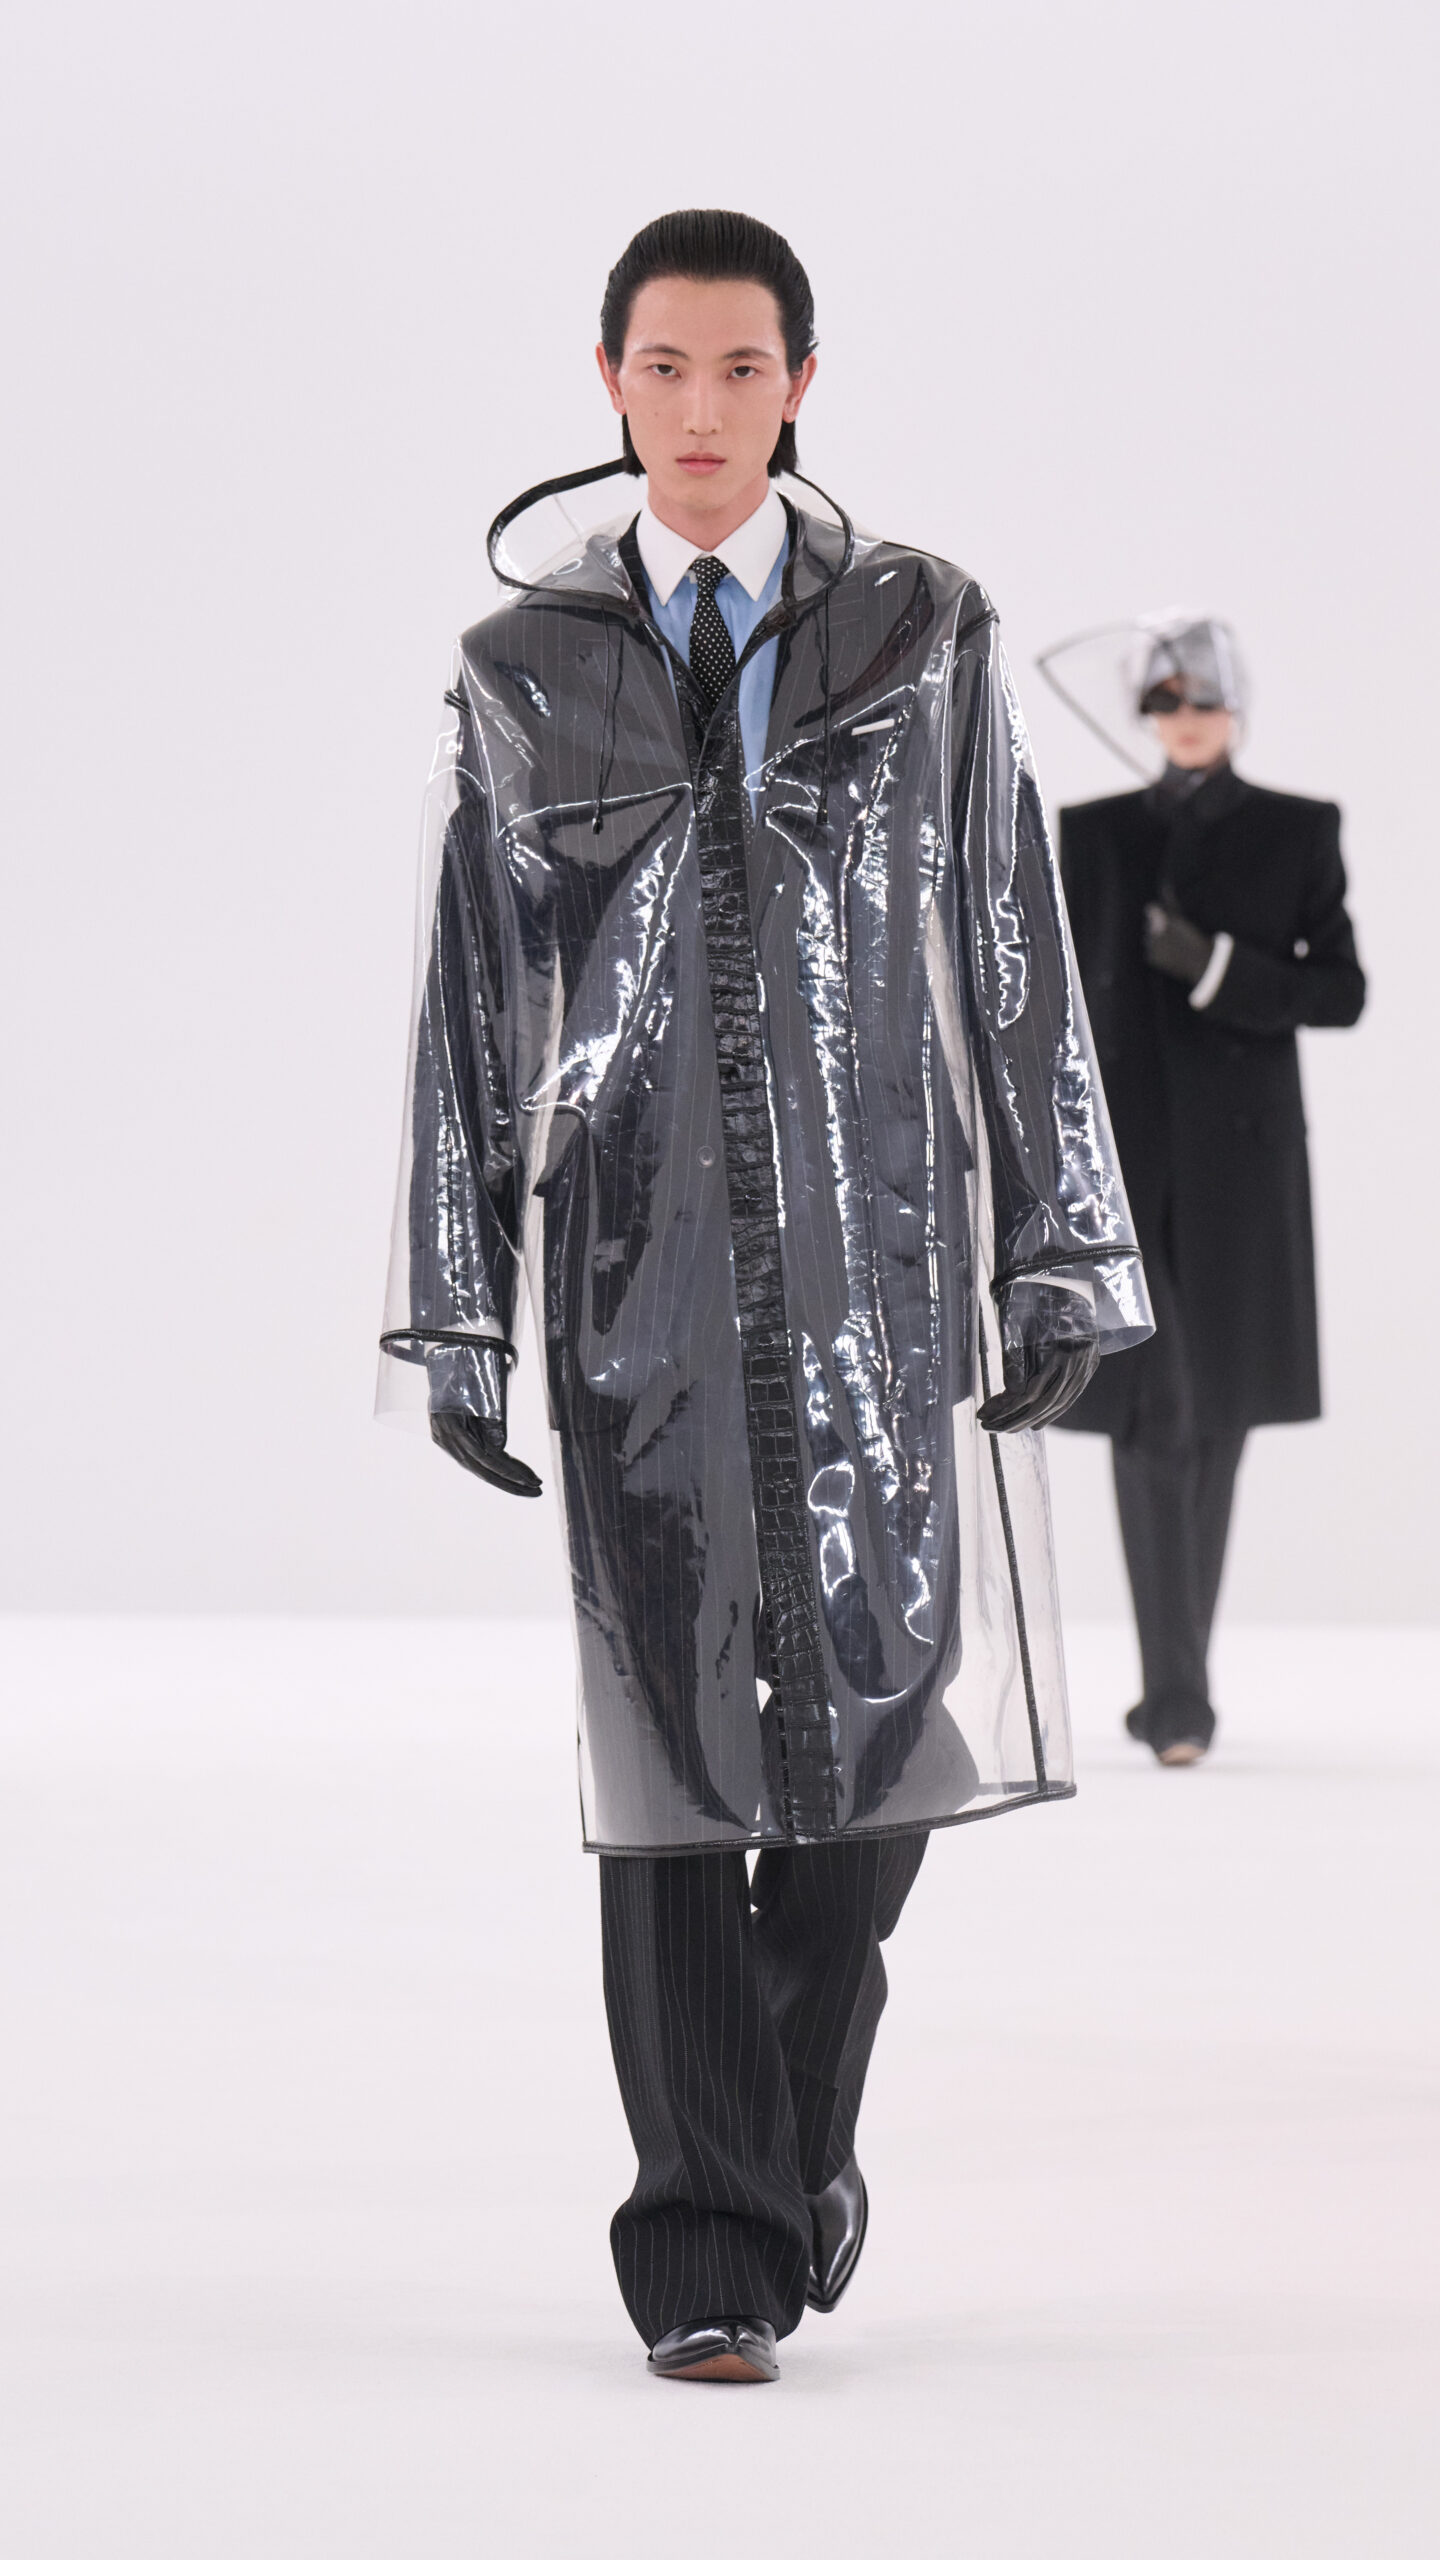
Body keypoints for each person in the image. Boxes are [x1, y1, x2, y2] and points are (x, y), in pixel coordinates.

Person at [379, 210, 1151, 2384]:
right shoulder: (526, 664)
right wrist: (456, 1297)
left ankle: (791, 2144)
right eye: (665, 367)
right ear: (608, 382)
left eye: (741, 368)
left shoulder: (916, 627)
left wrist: (1059, 1234)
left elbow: (1009, 928)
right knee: (662, 1759)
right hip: (631, 1281)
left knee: (882, 1735)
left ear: (802, 381)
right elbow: (475, 995)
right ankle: (712, 2244)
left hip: (879, 1264)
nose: (702, 409)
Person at [1051, 619, 1366, 1766]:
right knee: (1152, 1408)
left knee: (1215, 1412)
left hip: (1243, 1165)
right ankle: (1177, 1697)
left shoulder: (1298, 828)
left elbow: (1342, 992)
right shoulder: (1092, 833)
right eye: (1166, 702)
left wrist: (1217, 966)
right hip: (1125, 1160)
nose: (1185, 720)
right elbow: (1049, 998)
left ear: (1236, 711)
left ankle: (1176, 1691)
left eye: (1204, 700)